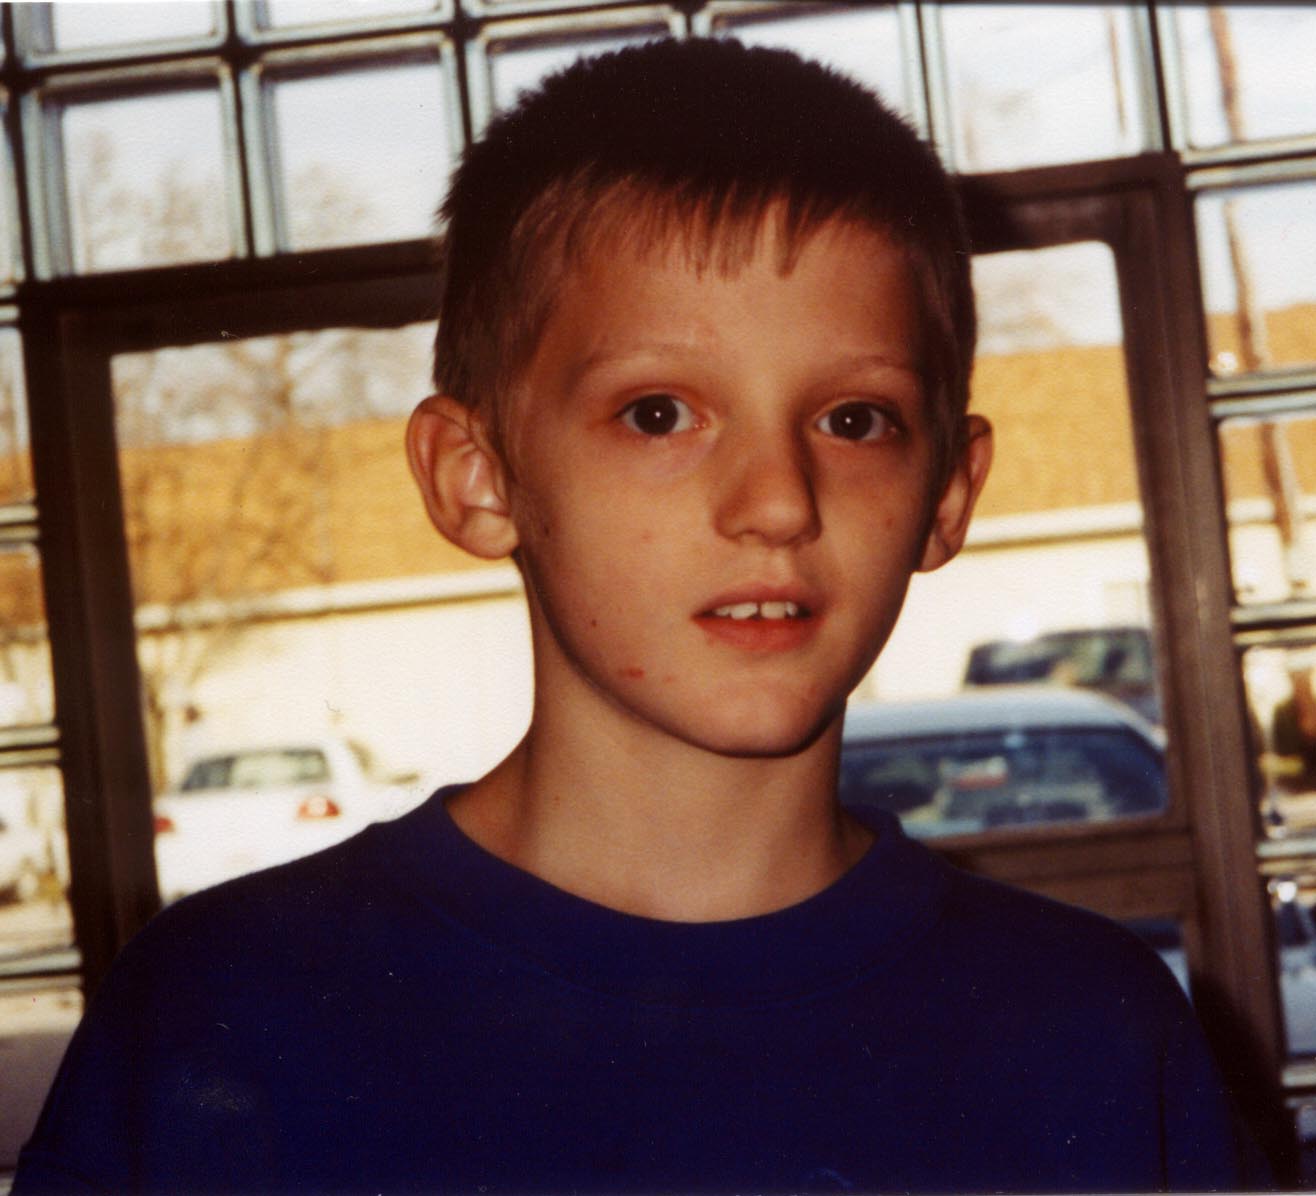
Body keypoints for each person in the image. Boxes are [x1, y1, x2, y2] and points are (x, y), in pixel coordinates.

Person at [16, 38, 1265, 1194]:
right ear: (478, 478)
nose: (777, 500)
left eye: (854, 419)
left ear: (946, 492)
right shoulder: (225, 1013)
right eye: (657, 413)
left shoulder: (1093, 1032)